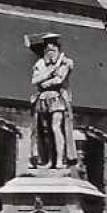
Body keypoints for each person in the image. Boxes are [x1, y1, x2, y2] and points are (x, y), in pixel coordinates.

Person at [30, 35, 76, 169]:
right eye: (48, 48)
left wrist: (45, 81)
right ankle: (50, 160)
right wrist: (49, 73)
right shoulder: (39, 64)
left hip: (57, 98)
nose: (50, 51)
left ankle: (60, 160)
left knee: (56, 127)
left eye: (53, 47)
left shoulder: (65, 62)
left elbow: (59, 80)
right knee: (46, 130)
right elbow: (34, 81)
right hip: (43, 99)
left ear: (57, 48)